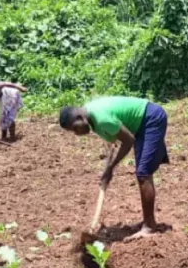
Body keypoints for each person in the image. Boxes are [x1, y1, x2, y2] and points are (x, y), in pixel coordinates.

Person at [59, 96, 169, 241]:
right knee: (143, 172)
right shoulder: (90, 115)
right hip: (141, 123)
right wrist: (108, 167)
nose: (77, 134)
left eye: (75, 128)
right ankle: (148, 221)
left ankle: (149, 226)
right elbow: (114, 141)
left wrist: (111, 168)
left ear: (80, 117)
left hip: (151, 118)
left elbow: (128, 140)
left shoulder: (101, 118)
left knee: (143, 173)